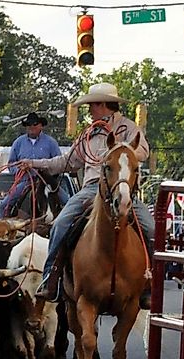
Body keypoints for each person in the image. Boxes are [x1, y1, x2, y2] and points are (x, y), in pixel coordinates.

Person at [19, 82, 152, 306]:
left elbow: (143, 152)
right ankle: (51, 279)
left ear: (103, 105)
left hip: (122, 188)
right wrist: (34, 163)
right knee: (61, 223)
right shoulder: (88, 134)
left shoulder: (128, 128)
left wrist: (119, 150)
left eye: (92, 106)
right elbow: (66, 162)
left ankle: (149, 283)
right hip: (92, 188)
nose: (90, 110)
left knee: (152, 229)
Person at [0, 111, 64, 218]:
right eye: (28, 125)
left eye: (34, 124)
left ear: (41, 125)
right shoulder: (18, 143)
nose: (31, 127)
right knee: (4, 205)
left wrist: (47, 171)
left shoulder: (51, 142)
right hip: (26, 181)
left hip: (47, 181)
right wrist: (20, 169)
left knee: (67, 201)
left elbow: (59, 162)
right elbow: (11, 164)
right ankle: (2, 226)